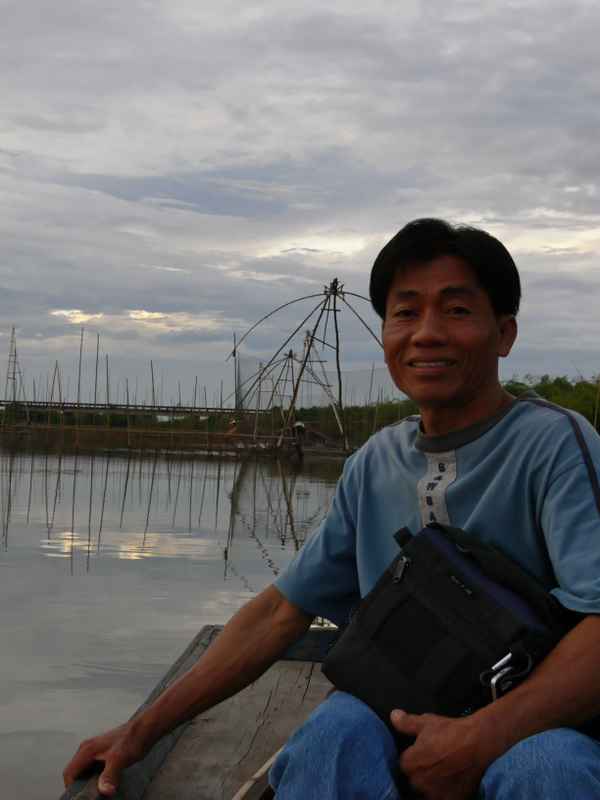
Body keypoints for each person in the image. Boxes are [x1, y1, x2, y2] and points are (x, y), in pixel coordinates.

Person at [64, 218, 600, 799]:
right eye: (405, 312)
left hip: (532, 724)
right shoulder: (374, 464)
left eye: (456, 311)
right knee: (334, 733)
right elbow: (278, 615)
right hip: (394, 718)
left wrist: (480, 737)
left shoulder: (554, 445)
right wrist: (141, 731)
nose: (426, 333)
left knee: (550, 767)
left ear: (504, 334)